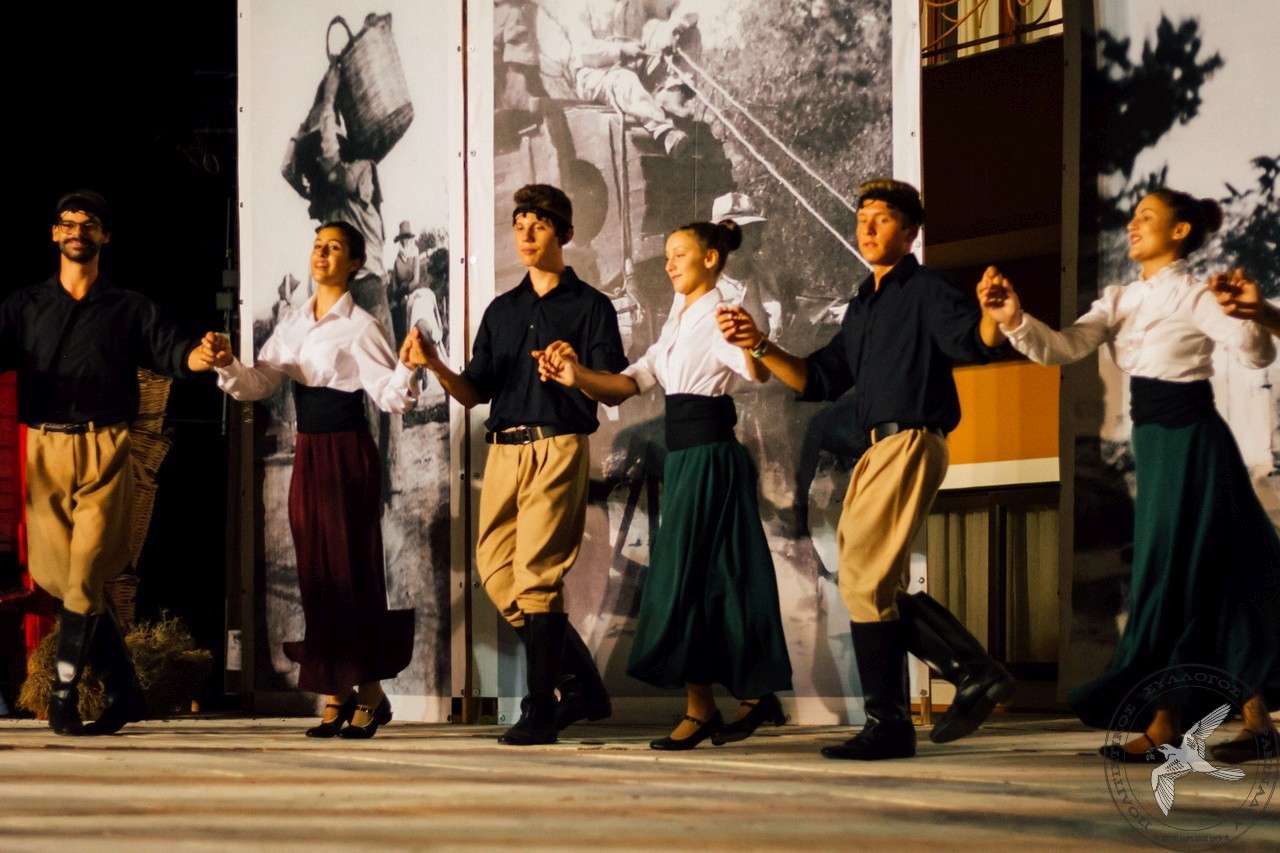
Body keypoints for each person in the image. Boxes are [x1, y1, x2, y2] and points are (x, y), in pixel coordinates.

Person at [980, 189, 1280, 764]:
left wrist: (1250, 315)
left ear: (1180, 231)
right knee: (1215, 575)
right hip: (1157, 444)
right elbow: (1062, 348)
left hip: (1194, 443)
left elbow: (1254, 355)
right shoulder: (1119, 299)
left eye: (1148, 217)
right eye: (1133, 217)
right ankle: (1253, 720)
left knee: (1173, 579)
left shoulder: (1195, 294)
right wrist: (1013, 318)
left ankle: (1167, 723)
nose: (1133, 225)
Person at [717, 178, 1014, 760]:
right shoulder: (864, 303)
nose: (868, 229)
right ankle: (966, 677)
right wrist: (759, 345)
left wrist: (993, 317)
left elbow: (973, 343)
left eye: (883, 218)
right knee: (871, 584)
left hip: (910, 438)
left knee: (863, 582)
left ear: (910, 231)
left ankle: (916, 707)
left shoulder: (926, 290)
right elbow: (818, 378)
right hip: (878, 449)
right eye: (862, 219)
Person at [536, 219, 793, 749]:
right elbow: (629, 382)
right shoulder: (679, 317)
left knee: (693, 580)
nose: (670, 263)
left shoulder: (723, 314)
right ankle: (735, 700)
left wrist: (753, 342)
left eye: (680, 254)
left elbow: (755, 372)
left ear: (711, 259)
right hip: (686, 461)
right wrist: (576, 375)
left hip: (711, 459)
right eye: (669, 254)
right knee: (706, 579)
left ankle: (713, 706)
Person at [404, 184, 626, 745]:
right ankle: (582, 686)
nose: (525, 232)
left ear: (565, 234)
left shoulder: (591, 307)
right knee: (499, 573)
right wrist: (434, 363)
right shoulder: (502, 310)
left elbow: (613, 388)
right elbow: (474, 392)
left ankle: (541, 709)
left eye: (539, 223)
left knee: (537, 576)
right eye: (519, 222)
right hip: (503, 450)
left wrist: (577, 373)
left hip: (558, 444)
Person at [0, 190, 220, 735]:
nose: (78, 231)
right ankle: (125, 690)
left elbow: (175, 353)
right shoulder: (24, 307)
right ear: (54, 234)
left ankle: (63, 694)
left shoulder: (130, 308)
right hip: (43, 448)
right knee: (58, 578)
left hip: (104, 447)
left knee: (86, 572)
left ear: (105, 236)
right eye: (68, 223)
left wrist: (203, 355)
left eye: (89, 223)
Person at [201, 221, 419, 739]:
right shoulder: (294, 323)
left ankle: (368, 690)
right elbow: (258, 383)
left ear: (354, 263)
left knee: (351, 570)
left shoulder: (361, 325)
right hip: (309, 453)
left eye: (334, 248)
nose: (321, 254)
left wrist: (409, 368)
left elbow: (390, 396)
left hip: (348, 453)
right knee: (316, 573)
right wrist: (228, 364)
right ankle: (338, 689)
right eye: (318, 246)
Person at [533, 0, 692, 156]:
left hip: (637, 66)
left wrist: (676, 28)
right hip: (596, 74)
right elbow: (584, 51)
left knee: (685, 34)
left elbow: (677, 5)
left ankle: (672, 96)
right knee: (624, 79)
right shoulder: (580, 5)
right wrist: (621, 50)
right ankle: (663, 131)